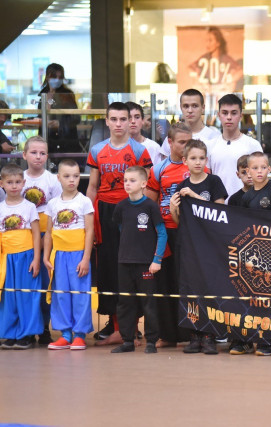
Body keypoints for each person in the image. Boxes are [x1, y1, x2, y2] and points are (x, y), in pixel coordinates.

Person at [86, 102, 153, 345]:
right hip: (105, 212)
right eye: (113, 119)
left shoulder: (139, 151)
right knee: (109, 268)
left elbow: (148, 186)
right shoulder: (97, 150)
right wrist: (88, 219)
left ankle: (131, 328)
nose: (118, 124)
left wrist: (146, 217)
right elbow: (92, 186)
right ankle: (116, 326)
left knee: (132, 268)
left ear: (130, 121)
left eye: (123, 119)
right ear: (106, 121)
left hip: (132, 211)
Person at [226, 152, 271, 357]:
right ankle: (245, 340)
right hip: (253, 255)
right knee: (249, 297)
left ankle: (269, 341)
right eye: (255, 168)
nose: (259, 172)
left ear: (269, 169)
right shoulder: (246, 197)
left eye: (263, 167)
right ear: (248, 172)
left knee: (270, 298)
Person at [169, 139, 227, 354]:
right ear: (185, 160)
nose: (198, 162)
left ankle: (210, 334)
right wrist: (173, 209)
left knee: (209, 288)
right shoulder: (181, 186)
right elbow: (179, 221)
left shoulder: (213, 182)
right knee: (190, 289)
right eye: (193, 158)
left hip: (210, 245)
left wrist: (194, 197)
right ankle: (194, 335)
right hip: (188, 245)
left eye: (201, 158)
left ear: (206, 160)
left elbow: (220, 213)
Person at [145, 123, 193, 347]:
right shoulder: (158, 169)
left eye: (189, 142)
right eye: (182, 142)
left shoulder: (198, 167)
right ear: (170, 143)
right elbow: (149, 204)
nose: (186, 146)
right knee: (164, 284)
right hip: (165, 232)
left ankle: (193, 334)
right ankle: (167, 335)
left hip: (189, 232)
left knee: (188, 283)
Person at [110, 167, 166, 354]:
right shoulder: (121, 207)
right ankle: (127, 340)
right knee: (125, 302)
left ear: (143, 184)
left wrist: (157, 259)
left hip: (146, 264)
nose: (127, 183)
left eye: (132, 180)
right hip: (124, 262)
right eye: (125, 180)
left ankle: (151, 341)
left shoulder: (150, 206)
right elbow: (121, 229)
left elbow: (162, 233)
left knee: (149, 302)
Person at [43, 159, 94, 350]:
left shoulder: (84, 201)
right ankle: (65, 334)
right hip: (59, 256)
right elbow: (49, 232)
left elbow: (90, 231)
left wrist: (86, 258)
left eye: (76, 176)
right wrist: (46, 257)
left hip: (78, 255)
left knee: (80, 295)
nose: (72, 180)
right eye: (67, 176)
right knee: (61, 294)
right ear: (58, 178)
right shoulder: (53, 203)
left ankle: (79, 334)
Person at [21, 136, 62, 345]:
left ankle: (45, 327)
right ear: (24, 155)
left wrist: (52, 238)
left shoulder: (52, 180)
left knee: (46, 283)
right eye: (34, 152)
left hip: (46, 235)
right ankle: (27, 328)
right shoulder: (18, 179)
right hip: (23, 237)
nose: (38, 157)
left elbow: (58, 211)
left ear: (47, 156)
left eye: (42, 153)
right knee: (27, 282)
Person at [0, 163, 42, 350]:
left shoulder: (30, 207)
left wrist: (36, 258)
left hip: (26, 257)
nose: (14, 186)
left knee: (26, 296)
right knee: (9, 297)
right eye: (10, 182)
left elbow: (36, 234)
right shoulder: (0, 207)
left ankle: (27, 334)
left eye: (18, 182)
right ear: (2, 184)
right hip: (6, 259)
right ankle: (10, 333)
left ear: (24, 183)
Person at [207, 94, 262, 199]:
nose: (229, 117)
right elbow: (206, 179)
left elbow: (261, 179)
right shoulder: (210, 145)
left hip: (246, 204)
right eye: (225, 113)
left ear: (241, 116)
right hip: (218, 204)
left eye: (234, 113)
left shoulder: (253, 145)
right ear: (219, 115)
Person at [159, 89, 220, 158]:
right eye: (186, 106)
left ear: (203, 108)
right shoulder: (173, 137)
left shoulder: (215, 137)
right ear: (181, 108)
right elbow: (165, 164)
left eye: (195, 106)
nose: (190, 110)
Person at [37, 63, 80, 153]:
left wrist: (60, 124)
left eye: (60, 77)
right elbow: (40, 116)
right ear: (47, 77)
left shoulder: (67, 95)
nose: (57, 80)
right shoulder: (43, 95)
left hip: (66, 141)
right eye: (54, 76)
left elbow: (76, 118)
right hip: (47, 140)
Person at [189, 26, 243, 93]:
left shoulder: (226, 59)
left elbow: (240, 71)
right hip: (208, 92)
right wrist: (200, 80)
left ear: (218, 43)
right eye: (206, 41)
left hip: (221, 92)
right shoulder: (204, 58)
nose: (207, 44)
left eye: (210, 40)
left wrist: (231, 80)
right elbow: (190, 69)